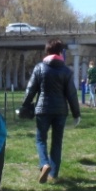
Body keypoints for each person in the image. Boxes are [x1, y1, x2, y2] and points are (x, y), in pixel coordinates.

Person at [20, 39, 81, 183]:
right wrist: (76, 113)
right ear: (61, 52)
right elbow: (71, 94)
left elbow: (30, 89)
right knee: (57, 141)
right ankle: (53, 173)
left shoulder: (39, 68)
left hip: (43, 110)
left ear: (46, 51)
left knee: (41, 139)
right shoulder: (66, 71)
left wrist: (24, 105)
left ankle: (44, 164)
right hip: (60, 111)